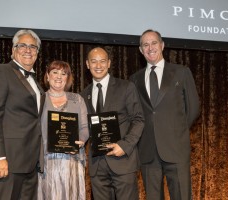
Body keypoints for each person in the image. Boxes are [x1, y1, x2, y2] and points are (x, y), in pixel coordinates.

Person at [129, 29, 200, 200]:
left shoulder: (181, 72)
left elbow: (193, 108)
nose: (150, 47)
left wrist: (176, 131)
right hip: (147, 152)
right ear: (140, 50)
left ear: (162, 45)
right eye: (145, 44)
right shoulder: (134, 79)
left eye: (154, 43)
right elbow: (134, 115)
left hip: (176, 149)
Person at [0, 29, 45, 200]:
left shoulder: (35, 83)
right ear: (13, 50)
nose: (28, 50)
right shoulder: (0, 72)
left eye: (33, 47)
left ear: (37, 53)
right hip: (6, 162)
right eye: (22, 45)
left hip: (30, 164)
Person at [80, 47, 144, 200]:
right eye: (93, 61)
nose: (98, 65)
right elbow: (84, 127)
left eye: (102, 61)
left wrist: (125, 145)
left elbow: (138, 119)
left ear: (109, 63)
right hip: (97, 165)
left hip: (122, 161)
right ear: (87, 64)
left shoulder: (126, 87)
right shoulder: (83, 95)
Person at [37, 60, 89, 200]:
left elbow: (85, 127)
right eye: (55, 72)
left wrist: (81, 141)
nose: (59, 76)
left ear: (68, 78)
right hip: (47, 162)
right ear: (47, 76)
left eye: (63, 73)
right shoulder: (40, 99)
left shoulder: (77, 99)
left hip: (72, 160)